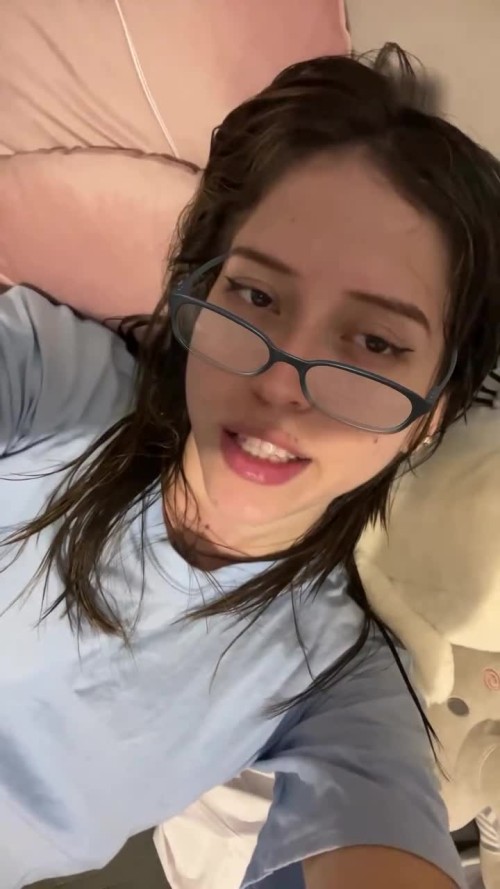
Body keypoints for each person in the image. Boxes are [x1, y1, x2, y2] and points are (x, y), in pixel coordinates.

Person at [1, 44, 499, 889]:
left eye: (375, 343)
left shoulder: (333, 682)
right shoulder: (48, 380)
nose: (282, 384)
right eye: (257, 296)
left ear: (430, 416)